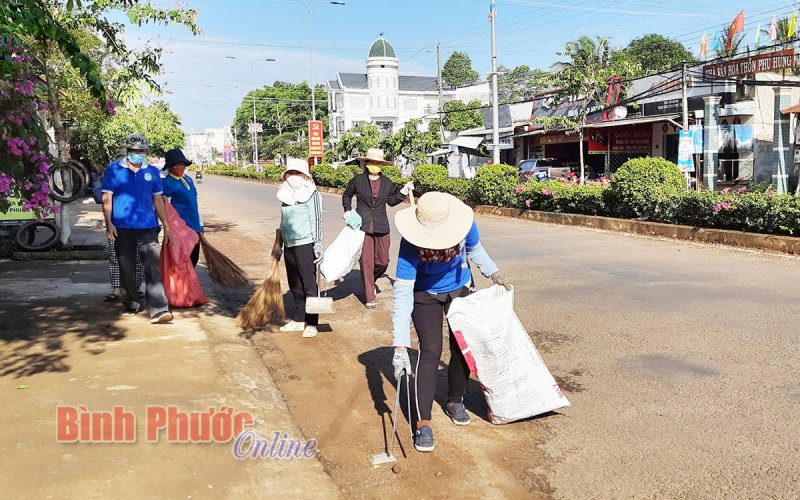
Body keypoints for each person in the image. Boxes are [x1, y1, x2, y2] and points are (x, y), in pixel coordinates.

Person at [390, 191, 512, 453]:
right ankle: (423, 421)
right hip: (425, 294)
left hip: (459, 286)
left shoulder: (464, 224)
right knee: (431, 349)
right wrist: (400, 345)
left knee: (461, 345)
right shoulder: (411, 243)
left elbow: (475, 249)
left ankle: (455, 400)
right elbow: (402, 293)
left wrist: (494, 272)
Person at [101, 133, 173, 324]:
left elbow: (157, 200)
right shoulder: (114, 169)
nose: (137, 154)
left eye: (140, 151)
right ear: (127, 150)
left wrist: (166, 225)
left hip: (148, 228)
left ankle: (158, 309)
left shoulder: (153, 172)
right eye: (133, 151)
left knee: (153, 267)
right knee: (127, 269)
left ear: (145, 151)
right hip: (121, 228)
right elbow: (107, 197)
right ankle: (131, 303)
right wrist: (109, 223)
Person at [342, 148, 413, 309]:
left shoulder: (387, 182)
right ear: (367, 163)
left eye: (378, 163)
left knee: (383, 261)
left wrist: (404, 191)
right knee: (366, 262)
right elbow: (347, 194)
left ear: (382, 165)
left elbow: (392, 201)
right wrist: (347, 209)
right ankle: (369, 296)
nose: (375, 165)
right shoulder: (358, 180)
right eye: (373, 162)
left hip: (381, 225)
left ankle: (370, 281)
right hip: (362, 225)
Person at [271, 158, 324, 338]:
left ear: (304, 176)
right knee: (295, 285)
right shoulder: (285, 194)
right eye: (290, 173)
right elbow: (283, 221)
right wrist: (279, 244)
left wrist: (318, 243)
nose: (293, 177)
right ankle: (299, 319)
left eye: (296, 173)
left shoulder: (312, 194)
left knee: (309, 285)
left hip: (306, 243)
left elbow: (317, 220)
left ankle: (312, 323)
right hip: (290, 245)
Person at [103, 147, 144, 302]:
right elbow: (105, 198)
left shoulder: (141, 173)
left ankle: (134, 288)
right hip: (117, 222)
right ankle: (117, 289)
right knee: (115, 256)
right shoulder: (113, 172)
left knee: (136, 257)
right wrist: (109, 223)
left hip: (138, 223)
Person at [162, 148, 203, 267]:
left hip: (194, 225)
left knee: (194, 258)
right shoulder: (167, 183)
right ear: (170, 167)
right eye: (176, 165)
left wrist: (200, 223)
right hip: (181, 229)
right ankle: (184, 285)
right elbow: (159, 201)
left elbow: (193, 202)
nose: (180, 167)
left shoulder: (188, 179)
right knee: (184, 260)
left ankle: (190, 283)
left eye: (182, 164)